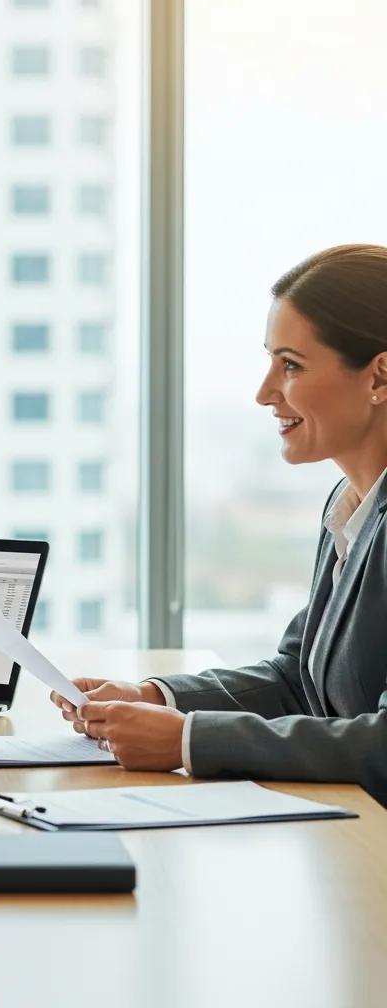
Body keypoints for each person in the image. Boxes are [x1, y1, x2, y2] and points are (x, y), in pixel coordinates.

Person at [52, 244, 387, 805]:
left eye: (291, 365)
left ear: (379, 375)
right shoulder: (350, 505)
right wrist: (158, 698)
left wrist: (186, 741)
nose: (263, 393)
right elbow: (295, 679)